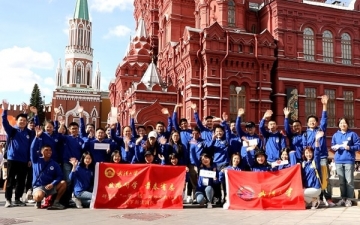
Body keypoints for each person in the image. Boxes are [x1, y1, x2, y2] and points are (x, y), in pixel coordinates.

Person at [302, 95, 334, 206]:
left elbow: (324, 120)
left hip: (322, 157)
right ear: (307, 123)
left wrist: (324, 105)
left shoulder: (320, 130)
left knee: (325, 177)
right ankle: (316, 198)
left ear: (316, 122)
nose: (312, 122)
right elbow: (304, 147)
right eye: (310, 121)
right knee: (313, 177)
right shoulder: (305, 134)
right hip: (311, 159)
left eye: (314, 121)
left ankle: (328, 198)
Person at [2, 100, 35, 207]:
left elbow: (31, 147)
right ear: (16, 121)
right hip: (13, 159)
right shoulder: (12, 131)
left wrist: (29, 159)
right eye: (20, 120)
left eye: (24, 120)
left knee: (21, 181)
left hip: (24, 160)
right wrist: (5, 110)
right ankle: (8, 199)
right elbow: (4, 122)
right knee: (10, 180)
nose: (23, 122)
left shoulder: (29, 133)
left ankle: (17, 199)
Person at [31, 127, 66, 210]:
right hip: (39, 186)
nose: (49, 152)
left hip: (50, 186)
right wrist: (36, 137)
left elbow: (60, 176)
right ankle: (38, 201)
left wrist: (53, 184)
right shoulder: (36, 160)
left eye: (50, 150)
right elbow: (32, 149)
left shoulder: (54, 163)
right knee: (38, 196)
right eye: (46, 150)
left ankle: (56, 202)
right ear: (42, 151)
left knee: (63, 183)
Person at [331, 117, 360, 207]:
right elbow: (332, 145)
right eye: (341, 123)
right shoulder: (335, 135)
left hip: (349, 160)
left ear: (347, 124)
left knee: (349, 181)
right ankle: (343, 199)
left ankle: (349, 199)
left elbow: (358, 145)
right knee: (341, 182)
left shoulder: (352, 134)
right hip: (338, 160)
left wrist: (350, 148)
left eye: (344, 123)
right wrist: (334, 147)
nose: (342, 125)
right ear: (338, 125)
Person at [302, 131, 324, 210]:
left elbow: (317, 153)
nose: (308, 154)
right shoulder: (303, 164)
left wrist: (317, 140)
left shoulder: (315, 162)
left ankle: (314, 199)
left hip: (316, 188)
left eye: (310, 152)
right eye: (307, 153)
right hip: (307, 188)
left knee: (299, 192)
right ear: (304, 154)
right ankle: (313, 200)